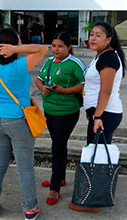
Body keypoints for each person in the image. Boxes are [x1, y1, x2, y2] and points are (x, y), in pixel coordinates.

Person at [0, 28, 48, 220]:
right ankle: (29, 209)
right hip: (18, 120)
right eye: (17, 41)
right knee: (24, 167)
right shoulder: (20, 65)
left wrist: (2, 97)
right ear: (11, 45)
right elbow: (42, 49)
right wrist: (18, 48)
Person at [69, 22, 125, 212]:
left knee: (97, 160)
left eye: (98, 35)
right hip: (101, 113)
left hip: (105, 114)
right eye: (91, 34)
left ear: (109, 39)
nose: (92, 38)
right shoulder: (101, 56)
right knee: (96, 156)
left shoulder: (108, 58)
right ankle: (94, 196)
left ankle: (93, 202)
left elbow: (106, 91)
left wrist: (98, 116)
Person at [36, 31, 86, 205]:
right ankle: (61, 178)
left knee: (57, 147)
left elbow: (84, 84)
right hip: (49, 110)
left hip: (67, 112)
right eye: (54, 46)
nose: (55, 50)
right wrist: (42, 88)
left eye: (60, 46)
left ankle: (55, 188)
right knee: (59, 145)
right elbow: (39, 79)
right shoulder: (49, 62)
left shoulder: (74, 63)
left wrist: (65, 91)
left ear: (69, 47)